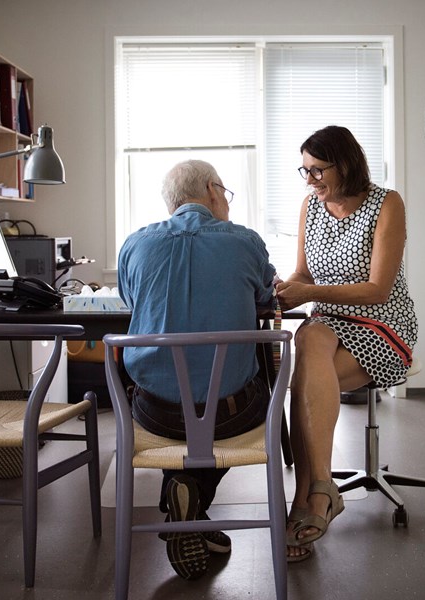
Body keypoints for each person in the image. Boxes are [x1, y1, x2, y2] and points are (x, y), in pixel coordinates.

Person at [117, 159, 278, 580]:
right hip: (231, 415)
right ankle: (192, 502)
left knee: (177, 400)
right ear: (212, 189)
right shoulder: (246, 242)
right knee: (254, 382)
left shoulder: (134, 244)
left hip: (155, 413)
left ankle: (186, 502)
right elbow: (267, 294)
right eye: (225, 193)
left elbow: (133, 305)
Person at [275, 125, 418, 562]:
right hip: (328, 327)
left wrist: (311, 294)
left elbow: (377, 288)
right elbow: (304, 274)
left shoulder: (386, 203)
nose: (310, 180)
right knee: (311, 338)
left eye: (318, 170)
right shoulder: (310, 207)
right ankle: (320, 492)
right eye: (304, 171)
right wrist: (285, 287)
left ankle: (308, 498)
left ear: (346, 163)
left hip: (382, 325)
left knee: (304, 385)